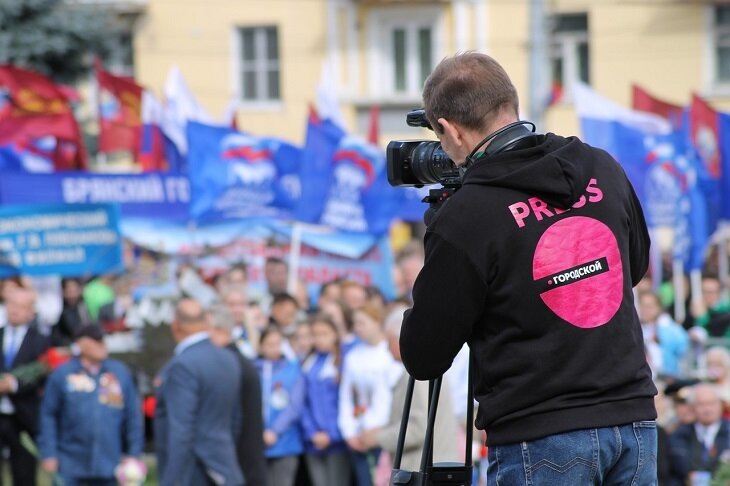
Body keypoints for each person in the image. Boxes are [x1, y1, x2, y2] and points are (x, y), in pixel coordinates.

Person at [399, 52, 658, 485]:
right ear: (510, 102)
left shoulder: (467, 215)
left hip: (539, 433)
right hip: (632, 421)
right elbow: (629, 268)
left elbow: (424, 355)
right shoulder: (600, 166)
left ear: (448, 129)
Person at [38, 324, 144, 485]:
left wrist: (133, 453)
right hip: (70, 464)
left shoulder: (119, 373)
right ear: (81, 344)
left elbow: (133, 415)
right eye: (96, 341)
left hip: (110, 463)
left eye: (103, 340)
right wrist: (49, 453)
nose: (102, 345)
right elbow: (48, 415)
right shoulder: (63, 374)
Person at [155, 298, 243, 486]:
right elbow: (235, 419)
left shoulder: (182, 365)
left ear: (176, 326)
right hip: (223, 463)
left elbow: (181, 428)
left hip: (194, 469)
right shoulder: (229, 358)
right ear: (205, 322)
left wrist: (172, 479)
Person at [360, 305, 459, 472]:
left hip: (422, 469)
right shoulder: (428, 367)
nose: (386, 347)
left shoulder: (419, 375)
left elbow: (418, 428)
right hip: (431, 467)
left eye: (389, 340)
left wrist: (377, 438)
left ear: (402, 338)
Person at [208, 305, 268, 486]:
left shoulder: (229, 364)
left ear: (219, 331)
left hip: (239, 461)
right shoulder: (237, 360)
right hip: (247, 461)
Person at [339, 302, 396, 486]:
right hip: (359, 435)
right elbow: (347, 397)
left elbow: (389, 398)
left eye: (362, 323)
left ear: (377, 322)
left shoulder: (391, 354)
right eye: (355, 323)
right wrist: (349, 432)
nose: (357, 328)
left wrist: (378, 430)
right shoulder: (353, 356)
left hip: (384, 435)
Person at [0, 287, 50, 485]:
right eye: (10, 305)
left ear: (31, 312)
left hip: (23, 417)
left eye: (20, 306)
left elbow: (41, 374)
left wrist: (13, 384)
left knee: (24, 474)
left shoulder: (41, 341)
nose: (14, 310)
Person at [301, 315, 350, 486]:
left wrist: (332, 433)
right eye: (315, 334)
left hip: (337, 440)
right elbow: (303, 403)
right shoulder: (308, 363)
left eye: (324, 334)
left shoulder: (342, 362)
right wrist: (311, 432)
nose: (319, 339)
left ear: (335, 334)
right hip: (313, 441)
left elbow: (344, 403)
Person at [255, 326, 305, 486]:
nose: (274, 349)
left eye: (278, 344)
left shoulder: (292, 369)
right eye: (270, 344)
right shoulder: (254, 370)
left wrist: (275, 431)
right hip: (258, 442)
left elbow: (294, 406)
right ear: (262, 346)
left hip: (285, 441)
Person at [668, 383, 730, 485]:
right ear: (692, 407)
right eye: (701, 404)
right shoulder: (678, 435)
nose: (707, 409)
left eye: (711, 403)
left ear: (721, 405)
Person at [50, 277, 91, 346]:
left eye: (75, 290)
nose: (72, 295)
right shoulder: (61, 311)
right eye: (69, 291)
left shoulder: (84, 306)